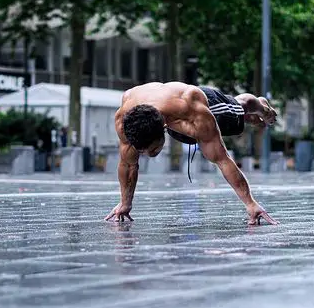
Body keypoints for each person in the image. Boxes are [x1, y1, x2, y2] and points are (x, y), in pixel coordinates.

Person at [104, 81, 279, 225]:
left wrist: (250, 203)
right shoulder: (124, 120)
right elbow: (128, 164)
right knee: (185, 137)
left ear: (163, 127)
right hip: (169, 113)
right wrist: (125, 203)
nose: (149, 155)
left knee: (239, 109)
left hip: (196, 102)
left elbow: (222, 159)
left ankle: (262, 108)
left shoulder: (195, 112)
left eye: (154, 150)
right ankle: (249, 116)